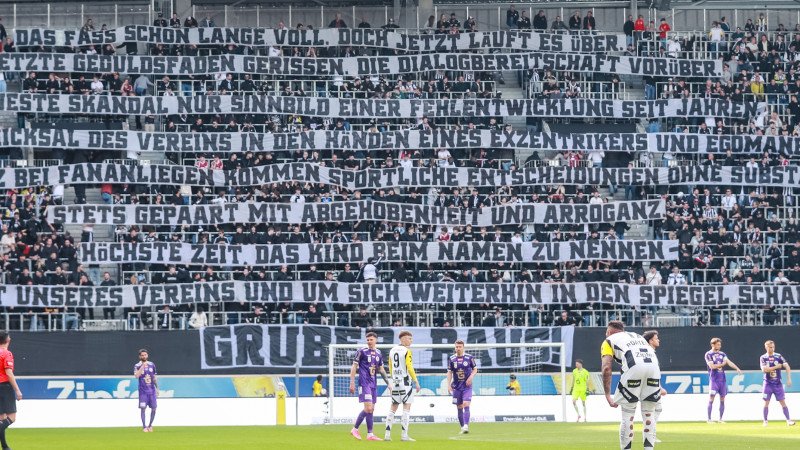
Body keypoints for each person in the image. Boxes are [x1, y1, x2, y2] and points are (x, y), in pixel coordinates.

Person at [601, 320, 660, 450]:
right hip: (654, 368)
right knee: (649, 414)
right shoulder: (637, 336)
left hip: (635, 369)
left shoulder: (609, 340)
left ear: (609, 332)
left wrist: (607, 394)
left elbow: (606, 368)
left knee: (628, 415)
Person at [349, 332, 392, 441]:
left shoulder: (378, 353)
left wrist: (388, 383)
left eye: (371, 339)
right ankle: (355, 429)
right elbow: (354, 366)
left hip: (373, 383)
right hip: (364, 383)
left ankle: (370, 435)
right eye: (367, 340)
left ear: (376, 340)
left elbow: (381, 369)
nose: (369, 342)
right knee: (368, 408)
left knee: (371, 409)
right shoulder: (361, 351)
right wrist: (352, 382)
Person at [385, 330, 420, 442]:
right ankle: (404, 436)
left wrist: (393, 379)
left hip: (395, 382)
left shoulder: (392, 350)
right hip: (405, 383)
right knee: (406, 408)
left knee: (393, 408)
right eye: (409, 338)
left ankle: (387, 435)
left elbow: (390, 367)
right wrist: (416, 381)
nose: (411, 341)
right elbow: (409, 367)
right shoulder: (406, 351)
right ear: (403, 338)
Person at [704, 337, 743, 423]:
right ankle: (709, 419)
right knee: (711, 398)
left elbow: (728, 362)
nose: (719, 346)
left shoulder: (722, 354)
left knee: (722, 399)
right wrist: (722, 364)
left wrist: (737, 368)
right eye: (718, 344)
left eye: (720, 344)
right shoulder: (708, 354)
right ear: (712, 345)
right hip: (714, 380)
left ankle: (720, 419)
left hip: (722, 380)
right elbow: (712, 366)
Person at [760, 340, 795, 426]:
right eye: (770, 347)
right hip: (767, 383)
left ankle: (788, 420)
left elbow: (787, 365)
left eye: (773, 347)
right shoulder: (763, 357)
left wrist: (789, 378)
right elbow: (764, 370)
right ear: (766, 347)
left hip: (777, 383)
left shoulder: (778, 356)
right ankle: (765, 421)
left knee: (783, 402)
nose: (772, 348)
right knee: (766, 402)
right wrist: (777, 366)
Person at [447, 339, 477, 434]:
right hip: (456, 387)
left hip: (467, 386)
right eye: (456, 347)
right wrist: (448, 385)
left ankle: (466, 426)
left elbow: (475, 369)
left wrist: (471, 377)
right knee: (459, 407)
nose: (458, 348)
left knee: (466, 404)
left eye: (460, 347)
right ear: (455, 348)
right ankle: (462, 427)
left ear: (463, 347)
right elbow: (449, 372)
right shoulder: (451, 358)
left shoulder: (469, 357)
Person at [643, 330, 668, 443]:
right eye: (656, 338)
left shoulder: (648, 352)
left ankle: (651, 434)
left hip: (651, 386)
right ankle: (650, 435)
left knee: (656, 409)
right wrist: (659, 388)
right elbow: (650, 372)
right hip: (650, 387)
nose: (659, 340)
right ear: (650, 341)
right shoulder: (649, 353)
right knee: (652, 410)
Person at [0, 331, 21, 450]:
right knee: (11, 418)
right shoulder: (6, 354)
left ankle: (5, 446)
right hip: (4, 387)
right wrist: (17, 390)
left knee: (2, 419)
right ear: (7, 340)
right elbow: (9, 373)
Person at [134, 349, 158, 432]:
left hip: (152, 391)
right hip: (143, 392)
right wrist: (142, 367)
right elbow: (136, 376)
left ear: (147, 355)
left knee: (154, 408)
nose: (144, 356)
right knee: (143, 409)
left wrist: (157, 388)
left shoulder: (152, 365)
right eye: (142, 355)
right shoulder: (137, 365)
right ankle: (144, 426)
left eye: (145, 355)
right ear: (140, 356)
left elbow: (154, 378)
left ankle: (150, 425)